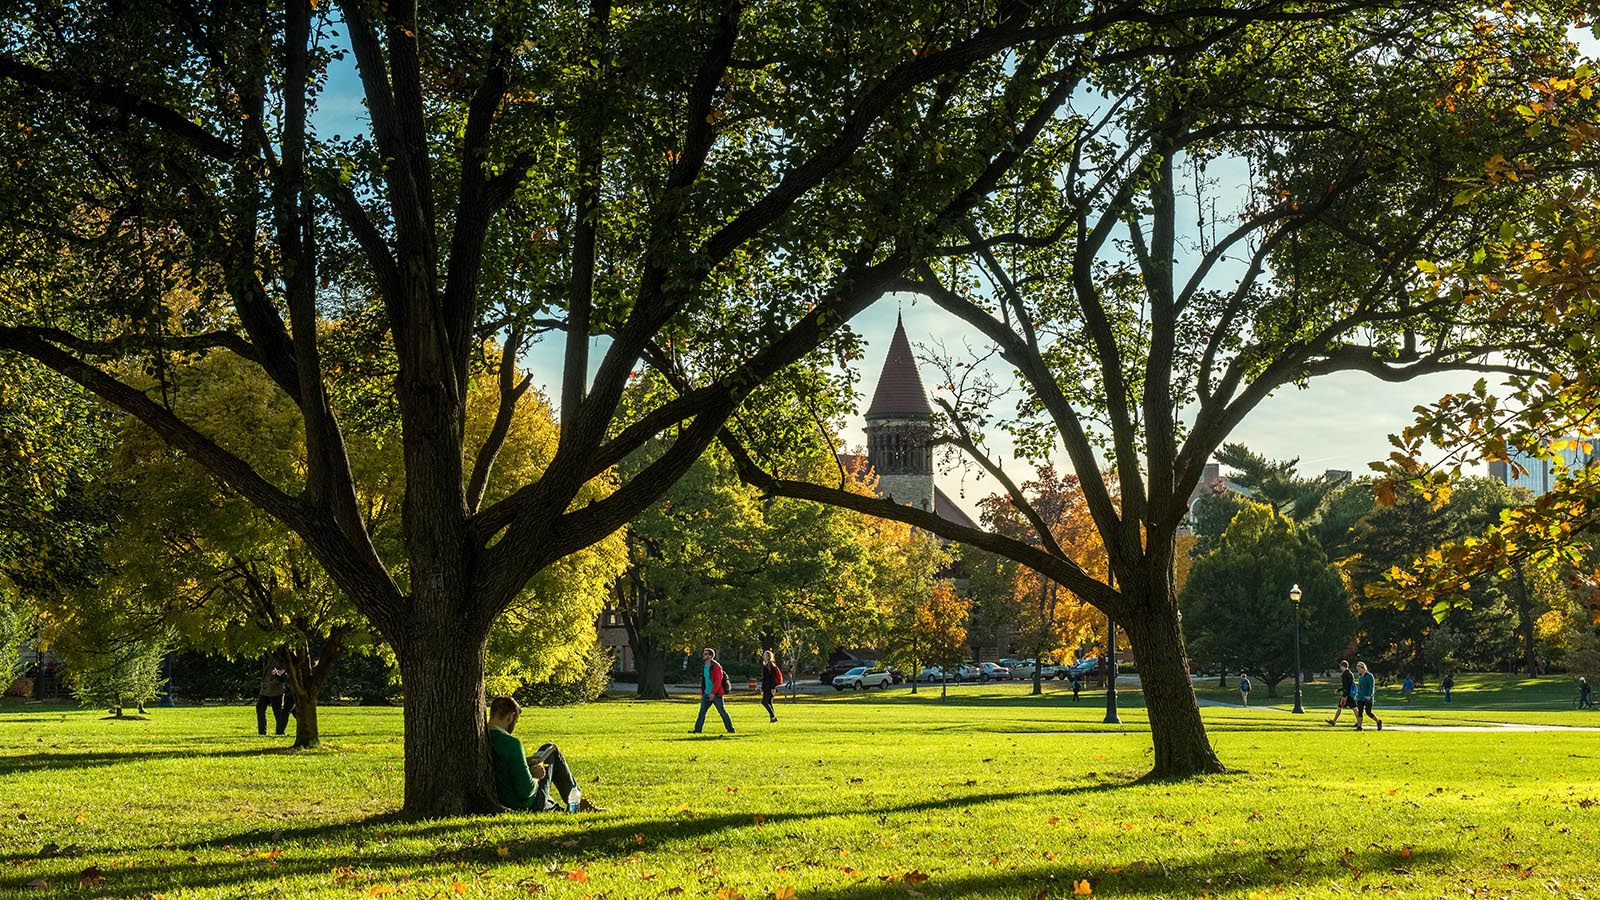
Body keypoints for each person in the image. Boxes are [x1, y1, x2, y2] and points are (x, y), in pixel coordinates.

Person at [486, 696, 601, 812]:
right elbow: (526, 791)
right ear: (511, 717)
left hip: (502, 797)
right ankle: (576, 801)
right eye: (516, 721)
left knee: (546, 754)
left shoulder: (482, 739)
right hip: (526, 803)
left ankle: (559, 806)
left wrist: (524, 762)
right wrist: (536, 776)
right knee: (551, 750)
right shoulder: (512, 744)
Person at [691, 647, 735, 734]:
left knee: (722, 712)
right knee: (702, 712)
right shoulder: (705, 666)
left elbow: (718, 681)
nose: (704, 655)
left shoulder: (716, 666)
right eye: (704, 653)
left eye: (706, 654)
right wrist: (703, 692)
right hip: (707, 693)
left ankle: (730, 729)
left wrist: (713, 693)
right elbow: (704, 680)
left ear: (710, 656)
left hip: (716, 694)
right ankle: (697, 730)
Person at [255, 662, 291, 736]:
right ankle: (262, 731)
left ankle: (280, 731)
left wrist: (277, 675)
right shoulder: (267, 657)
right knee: (260, 708)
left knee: (278, 712)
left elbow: (284, 676)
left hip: (276, 689)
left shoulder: (281, 658)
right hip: (265, 688)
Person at [1353, 661, 1382, 731]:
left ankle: (1378, 721)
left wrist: (1369, 695)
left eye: (1359, 669)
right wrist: (1357, 695)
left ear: (1363, 668)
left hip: (1367, 697)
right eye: (1358, 669)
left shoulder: (1369, 676)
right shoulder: (1360, 677)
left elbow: (1371, 687)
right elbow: (1360, 687)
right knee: (1360, 712)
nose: (1358, 670)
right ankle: (1359, 727)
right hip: (1360, 697)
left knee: (1368, 712)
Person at [1327, 660, 1355, 726]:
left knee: (1343, 707)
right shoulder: (1350, 673)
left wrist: (1344, 695)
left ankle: (1334, 721)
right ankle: (1334, 721)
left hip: (1346, 695)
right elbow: (1349, 685)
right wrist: (1339, 690)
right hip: (1350, 694)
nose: (1340, 668)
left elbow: (1345, 686)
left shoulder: (1345, 674)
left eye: (1341, 666)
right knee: (1353, 708)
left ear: (1343, 666)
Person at [759, 649, 784, 723]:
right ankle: (772, 718)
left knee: (764, 702)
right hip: (767, 686)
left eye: (765, 655)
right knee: (769, 702)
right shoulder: (766, 665)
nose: (763, 656)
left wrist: (773, 688)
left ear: (768, 657)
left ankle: (773, 716)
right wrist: (762, 688)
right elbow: (765, 678)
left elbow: (771, 678)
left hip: (769, 687)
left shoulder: (770, 666)